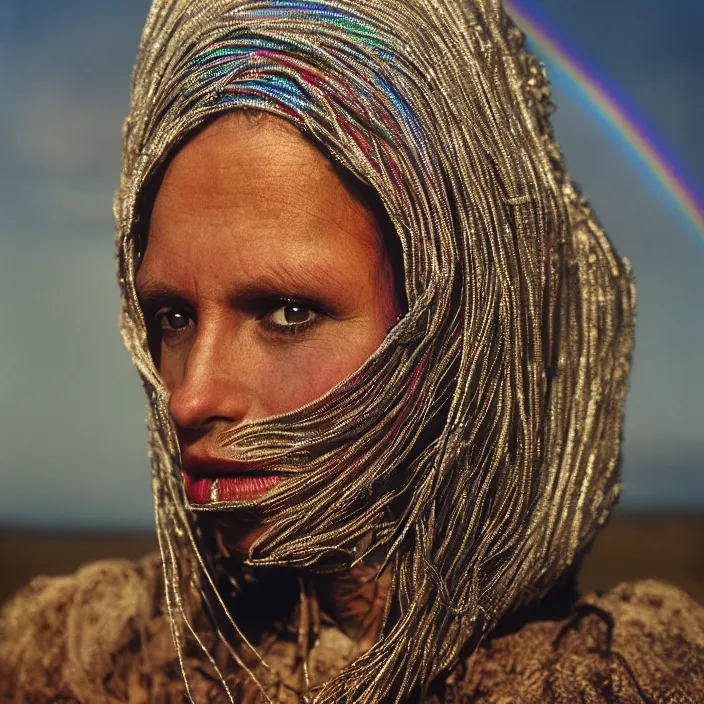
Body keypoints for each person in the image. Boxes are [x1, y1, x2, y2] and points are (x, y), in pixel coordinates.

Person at [1, 0, 702, 701]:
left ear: (457, 333)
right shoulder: (81, 668)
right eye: (173, 316)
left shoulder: (631, 682)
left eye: (289, 312)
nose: (190, 395)